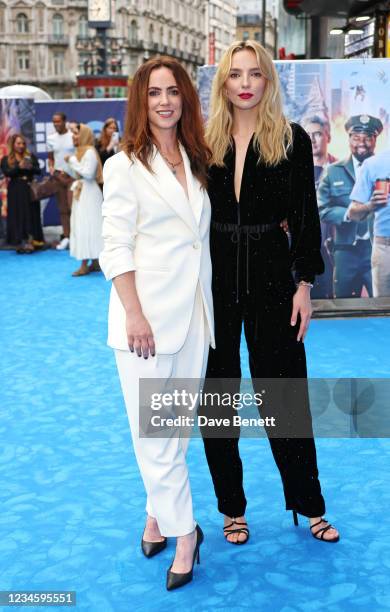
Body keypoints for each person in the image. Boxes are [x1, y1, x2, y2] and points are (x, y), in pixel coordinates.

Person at [200, 40, 339, 546]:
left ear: (267, 81)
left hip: (273, 276)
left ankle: (310, 503)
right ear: (223, 82)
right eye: (235, 74)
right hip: (212, 280)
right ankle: (231, 509)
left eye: (254, 74)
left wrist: (304, 284)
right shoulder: (204, 140)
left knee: (283, 395)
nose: (244, 83)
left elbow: (305, 215)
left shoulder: (292, 138)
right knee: (216, 400)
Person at [99, 57, 214, 590]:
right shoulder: (123, 165)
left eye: (173, 91)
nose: (165, 101)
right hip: (144, 321)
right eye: (154, 94)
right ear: (140, 103)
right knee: (155, 436)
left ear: (185, 98)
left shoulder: (194, 157)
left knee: (174, 432)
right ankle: (186, 533)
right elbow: (113, 246)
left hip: (194, 316)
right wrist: (134, 313)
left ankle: (155, 515)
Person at [318, 115, 383, 298]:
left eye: (368, 137)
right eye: (356, 137)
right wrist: (348, 214)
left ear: (375, 140)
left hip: (377, 250)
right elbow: (321, 209)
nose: (362, 143)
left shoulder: (385, 170)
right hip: (345, 251)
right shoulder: (332, 171)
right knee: (342, 307)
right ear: (349, 139)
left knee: (382, 304)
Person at [301, 115, 337, 299]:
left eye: (318, 134)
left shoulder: (343, 170)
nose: (312, 140)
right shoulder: (291, 172)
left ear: (328, 136)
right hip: (299, 252)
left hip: (333, 251)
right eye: (307, 134)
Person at [348, 149, 390, 296]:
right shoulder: (373, 164)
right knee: (383, 310)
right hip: (385, 249)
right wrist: (370, 205)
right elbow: (353, 213)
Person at [64, 124, 104, 276]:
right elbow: (78, 174)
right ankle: (93, 261)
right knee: (84, 224)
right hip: (83, 191)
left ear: (84, 135)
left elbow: (88, 174)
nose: (73, 136)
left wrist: (73, 160)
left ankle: (85, 264)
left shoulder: (89, 152)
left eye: (75, 133)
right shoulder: (80, 152)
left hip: (89, 193)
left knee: (88, 225)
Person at [0, 134, 42, 253]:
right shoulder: (6, 158)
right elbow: (7, 173)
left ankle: (31, 242)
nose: (21, 146)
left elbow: (38, 171)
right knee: (17, 215)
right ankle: (19, 242)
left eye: (23, 143)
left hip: (29, 188)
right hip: (15, 189)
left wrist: (30, 167)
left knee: (31, 214)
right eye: (18, 143)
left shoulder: (30, 156)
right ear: (13, 144)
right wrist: (19, 167)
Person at [47, 112, 75, 250]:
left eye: (58, 121)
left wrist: (75, 174)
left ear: (65, 121)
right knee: (63, 209)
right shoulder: (50, 138)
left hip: (73, 177)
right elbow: (51, 158)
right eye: (54, 122)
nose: (56, 124)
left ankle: (76, 237)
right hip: (58, 176)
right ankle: (67, 237)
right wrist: (52, 169)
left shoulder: (73, 136)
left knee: (73, 208)